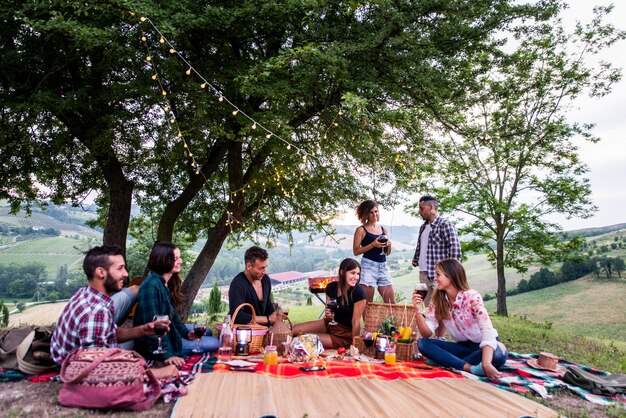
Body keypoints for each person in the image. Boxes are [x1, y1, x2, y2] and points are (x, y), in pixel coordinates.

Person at [50, 245, 178, 379]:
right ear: (101, 272)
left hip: (66, 355)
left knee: (140, 344)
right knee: (141, 352)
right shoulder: (97, 313)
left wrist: (143, 330)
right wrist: (157, 373)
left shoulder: (87, 293)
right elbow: (94, 370)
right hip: (72, 368)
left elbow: (109, 332)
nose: (126, 274)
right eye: (120, 268)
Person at [413, 259, 508, 379]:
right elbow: (426, 333)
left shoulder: (472, 297)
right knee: (423, 344)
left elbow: (487, 329)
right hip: (463, 348)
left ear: (451, 275)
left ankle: (446, 360)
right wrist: (417, 311)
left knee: (498, 355)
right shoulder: (438, 300)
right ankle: (469, 368)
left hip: (485, 346)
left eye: (438, 274)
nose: (435, 278)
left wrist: (486, 363)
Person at [134, 242, 219, 366]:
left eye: (180, 257)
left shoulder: (165, 283)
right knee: (215, 342)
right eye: (176, 258)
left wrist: (187, 334)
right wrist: (167, 355)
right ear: (163, 260)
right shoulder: (151, 286)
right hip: (155, 344)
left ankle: (186, 338)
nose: (181, 261)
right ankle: (177, 348)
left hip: (168, 330)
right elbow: (150, 327)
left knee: (209, 332)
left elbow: (173, 317)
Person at [292, 258, 366, 349]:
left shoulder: (359, 293)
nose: (356, 277)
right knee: (294, 330)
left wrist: (355, 346)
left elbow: (356, 322)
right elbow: (328, 314)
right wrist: (328, 315)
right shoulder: (331, 287)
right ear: (342, 272)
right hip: (329, 324)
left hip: (344, 334)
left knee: (303, 338)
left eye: (358, 274)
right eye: (353, 273)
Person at [411, 195, 461, 307]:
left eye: (421, 208)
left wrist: (449, 274)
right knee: (427, 309)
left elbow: (455, 250)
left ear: (431, 207)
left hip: (439, 276)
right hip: (423, 275)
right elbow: (421, 248)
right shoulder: (423, 227)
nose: (419, 211)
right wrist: (415, 261)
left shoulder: (445, 225)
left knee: (442, 308)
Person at [352, 200, 394, 303]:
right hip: (368, 267)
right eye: (371, 212)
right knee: (367, 304)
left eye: (376, 211)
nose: (374, 214)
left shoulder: (383, 229)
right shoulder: (361, 230)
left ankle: (390, 320)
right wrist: (372, 245)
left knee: (391, 304)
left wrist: (389, 245)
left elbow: (387, 253)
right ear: (365, 214)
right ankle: (368, 320)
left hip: (383, 266)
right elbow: (356, 251)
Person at [228, 246, 276, 326]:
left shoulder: (266, 279)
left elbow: (268, 306)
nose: (264, 271)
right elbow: (237, 316)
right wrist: (268, 319)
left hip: (264, 331)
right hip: (246, 334)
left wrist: (276, 316)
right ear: (248, 266)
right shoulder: (238, 284)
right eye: (261, 268)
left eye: (265, 267)